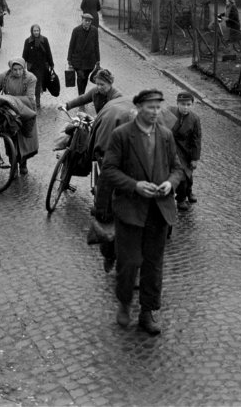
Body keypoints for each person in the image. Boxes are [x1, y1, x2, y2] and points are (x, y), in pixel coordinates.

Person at [102, 89, 183, 335]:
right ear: (137, 108)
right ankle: (125, 303)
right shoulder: (122, 136)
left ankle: (148, 312)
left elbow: (177, 169)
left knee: (153, 264)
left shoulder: (167, 136)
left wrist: (170, 183)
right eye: (150, 107)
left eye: (158, 108)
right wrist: (135, 186)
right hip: (130, 210)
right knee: (129, 263)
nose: (155, 112)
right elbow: (109, 170)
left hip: (159, 211)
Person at [0, 57, 39, 174]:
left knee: (23, 139)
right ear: (11, 69)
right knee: (10, 138)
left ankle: (23, 164)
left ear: (24, 68)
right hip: (8, 112)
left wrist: (8, 99)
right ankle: (13, 166)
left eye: (20, 69)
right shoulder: (4, 77)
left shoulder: (31, 78)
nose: (17, 72)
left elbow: (29, 97)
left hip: (25, 110)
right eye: (15, 70)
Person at [167, 91, 202, 210]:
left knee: (189, 174)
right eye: (182, 104)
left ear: (192, 104)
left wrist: (195, 158)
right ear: (177, 103)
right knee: (181, 174)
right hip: (172, 149)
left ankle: (189, 192)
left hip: (186, 150)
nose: (185, 107)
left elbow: (197, 139)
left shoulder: (194, 119)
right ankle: (181, 199)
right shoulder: (169, 112)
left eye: (188, 104)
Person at [21, 24, 54, 110]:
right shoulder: (27, 41)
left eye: (37, 31)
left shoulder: (44, 40)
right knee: (33, 83)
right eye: (34, 31)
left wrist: (51, 64)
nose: (36, 32)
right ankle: (33, 100)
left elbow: (48, 52)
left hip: (42, 66)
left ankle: (37, 101)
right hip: (32, 66)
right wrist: (22, 65)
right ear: (31, 31)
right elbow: (24, 54)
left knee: (38, 83)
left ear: (40, 31)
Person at [66, 12, 100, 94]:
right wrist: (69, 59)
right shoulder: (76, 30)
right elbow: (71, 45)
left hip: (89, 61)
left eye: (89, 21)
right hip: (78, 60)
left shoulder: (94, 31)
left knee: (85, 79)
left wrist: (98, 60)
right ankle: (81, 96)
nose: (87, 22)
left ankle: (82, 94)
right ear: (82, 20)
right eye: (86, 21)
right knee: (80, 77)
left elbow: (96, 45)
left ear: (91, 22)